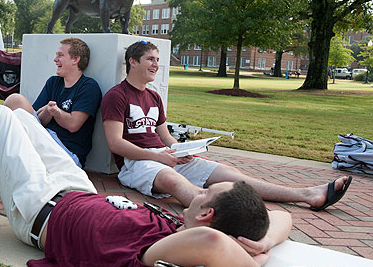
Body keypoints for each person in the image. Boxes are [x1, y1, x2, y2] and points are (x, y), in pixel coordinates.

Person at [0, 104, 291, 267]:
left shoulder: (169, 258)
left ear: (207, 214)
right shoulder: (185, 230)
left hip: (39, 209)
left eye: (205, 193)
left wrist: (253, 262)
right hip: (78, 191)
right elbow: (283, 216)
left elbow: (211, 242)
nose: (198, 190)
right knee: (21, 116)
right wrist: (264, 243)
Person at [101, 40, 352, 210]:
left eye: (157, 59)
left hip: (166, 156)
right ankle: (230, 216)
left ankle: (308, 194)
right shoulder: (117, 95)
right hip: (138, 164)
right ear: (132, 62)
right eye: (150, 59)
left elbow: (164, 136)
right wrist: (160, 159)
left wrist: (180, 151)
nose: (156, 64)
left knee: (233, 176)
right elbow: (116, 143)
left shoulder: (154, 95)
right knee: (178, 185)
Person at [3, 37, 102, 167]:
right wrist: (48, 112)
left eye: (60, 55)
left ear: (75, 59)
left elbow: (73, 125)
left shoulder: (88, 87)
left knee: (14, 161)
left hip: (65, 152)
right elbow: (36, 121)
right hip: (44, 139)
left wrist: (56, 112)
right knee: (15, 101)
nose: (55, 59)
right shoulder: (53, 82)